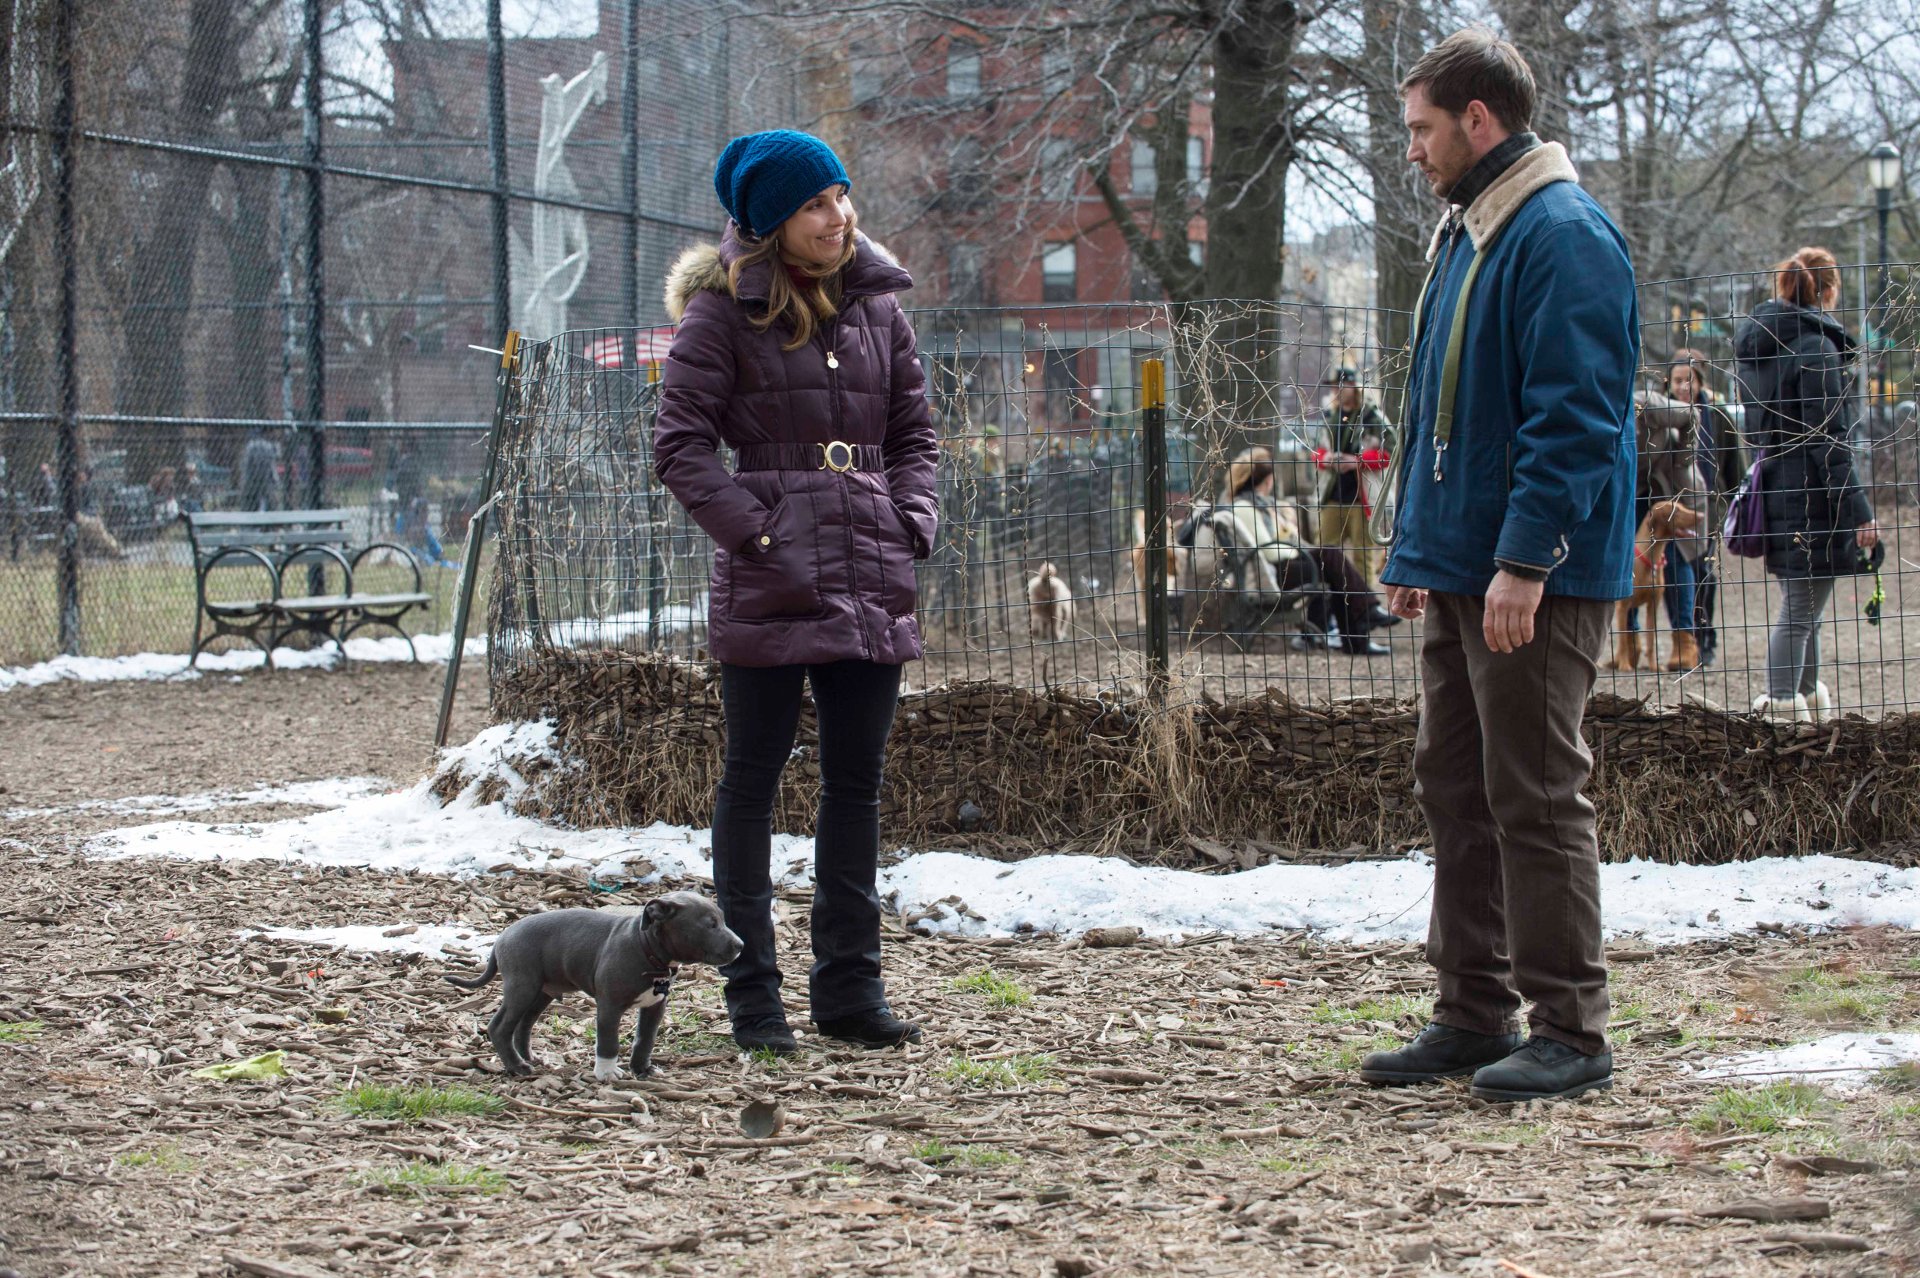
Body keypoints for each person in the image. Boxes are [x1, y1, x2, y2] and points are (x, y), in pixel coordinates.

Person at [1364, 28, 1637, 1102]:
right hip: (1464, 568)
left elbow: (1576, 421)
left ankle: (1571, 1028)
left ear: (1480, 121)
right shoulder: (1473, 231)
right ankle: (1473, 1013)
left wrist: (1525, 560)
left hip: (1535, 579)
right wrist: (1416, 549)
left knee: (1534, 793)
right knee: (1457, 788)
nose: (1414, 153)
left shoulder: (1561, 235)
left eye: (1423, 130)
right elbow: (1444, 409)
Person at [653, 130, 938, 1055]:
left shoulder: (879, 311)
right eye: (817, 203)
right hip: (772, 579)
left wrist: (911, 521)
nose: (840, 216)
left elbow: (913, 437)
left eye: (843, 196)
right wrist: (760, 535)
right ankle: (754, 1000)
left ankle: (851, 997)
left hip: (871, 571)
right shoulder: (719, 316)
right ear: (772, 223)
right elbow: (681, 449)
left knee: (856, 788)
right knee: (753, 781)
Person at [1735, 247, 1879, 722]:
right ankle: (1781, 712)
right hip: (1811, 496)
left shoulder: (1758, 350)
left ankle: (1803, 708)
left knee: (1805, 611)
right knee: (1800, 613)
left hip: (1777, 489)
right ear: (1829, 290)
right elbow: (1829, 441)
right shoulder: (1816, 347)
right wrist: (1859, 512)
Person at [1221, 446, 1389, 656]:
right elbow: (1271, 552)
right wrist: (1295, 545)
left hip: (1279, 568)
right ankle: (1365, 616)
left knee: (1332, 565)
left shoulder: (1260, 505)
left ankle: (1361, 626)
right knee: (1329, 557)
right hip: (1273, 573)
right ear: (1267, 480)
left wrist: (1287, 531)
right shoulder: (1245, 507)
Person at [1668, 351, 1745, 665]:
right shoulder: (1661, 413)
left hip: (1707, 511)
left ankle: (1705, 636)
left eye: (1690, 380)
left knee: (1703, 574)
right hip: (1668, 511)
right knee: (1676, 571)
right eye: (1677, 380)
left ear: (1700, 381)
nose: (1683, 386)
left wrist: (1738, 503)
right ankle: (1683, 639)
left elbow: (1734, 466)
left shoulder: (1717, 414)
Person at [1311, 367, 1394, 590]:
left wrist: (1356, 461)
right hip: (1332, 495)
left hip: (1363, 499)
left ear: (1353, 386)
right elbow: (1315, 452)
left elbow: (1390, 454)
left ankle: (1364, 608)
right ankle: (1326, 604)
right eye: (1333, 385)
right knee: (1324, 553)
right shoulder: (1329, 417)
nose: (1336, 390)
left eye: (1342, 384)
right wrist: (1328, 459)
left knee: (1362, 558)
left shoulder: (1373, 417)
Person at [238, 431, 280, 512]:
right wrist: (275, 479)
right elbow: (272, 465)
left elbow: (246, 465)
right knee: (266, 498)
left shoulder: (251, 445)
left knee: (252, 501)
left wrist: (243, 479)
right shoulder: (268, 445)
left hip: (253, 479)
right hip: (264, 478)